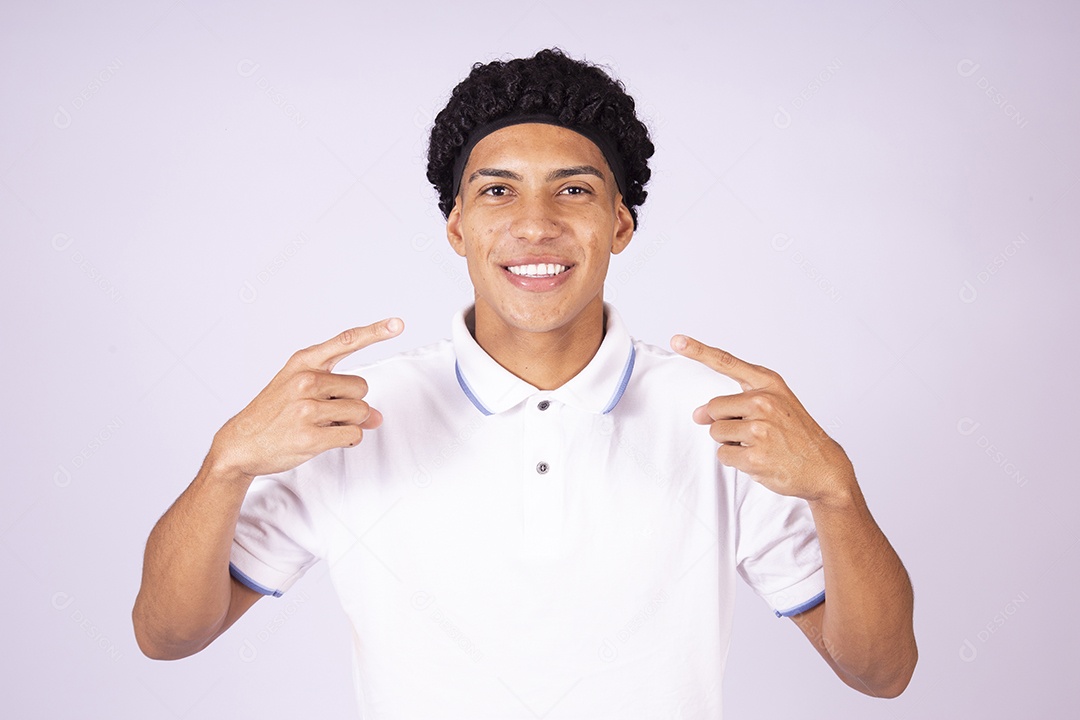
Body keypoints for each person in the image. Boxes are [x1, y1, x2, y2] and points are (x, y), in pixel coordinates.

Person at [133, 48, 916, 717]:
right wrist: (226, 462)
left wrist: (836, 492)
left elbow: (880, 672)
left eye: (572, 189)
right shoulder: (354, 416)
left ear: (619, 223)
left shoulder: (715, 419)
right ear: (457, 227)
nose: (535, 223)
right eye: (497, 190)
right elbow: (168, 636)